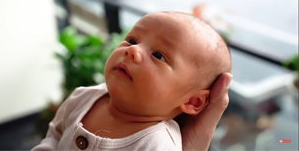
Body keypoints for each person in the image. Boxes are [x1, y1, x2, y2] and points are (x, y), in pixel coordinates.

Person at [33, 12, 232, 150]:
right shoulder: (82, 97)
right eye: (132, 40)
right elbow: (55, 135)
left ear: (192, 101)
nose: (133, 50)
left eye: (158, 55)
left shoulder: (158, 145)